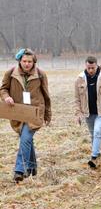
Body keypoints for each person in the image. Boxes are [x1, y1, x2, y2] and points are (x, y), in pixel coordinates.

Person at [0, 48, 51, 182]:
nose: (27, 64)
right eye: (24, 61)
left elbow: (46, 96)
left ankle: (19, 170)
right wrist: (6, 97)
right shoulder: (10, 73)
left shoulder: (40, 74)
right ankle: (32, 167)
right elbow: (3, 89)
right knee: (26, 140)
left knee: (25, 139)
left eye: (29, 61)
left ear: (34, 62)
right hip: (18, 112)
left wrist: (47, 115)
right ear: (19, 61)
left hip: (35, 113)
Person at [75, 56, 101, 168]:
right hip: (88, 112)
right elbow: (76, 98)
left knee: (97, 132)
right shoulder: (79, 79)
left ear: (97, 65)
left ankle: (93, 157)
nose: (91, 70)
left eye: (93, 67)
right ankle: (97, 153)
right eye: (89, 67)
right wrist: (77, 114)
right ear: (85, 66)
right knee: (93, 135)